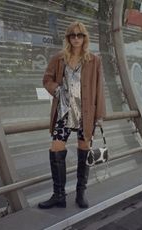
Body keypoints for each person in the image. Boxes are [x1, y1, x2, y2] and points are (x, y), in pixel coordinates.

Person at [38, 21, 106, 209]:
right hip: (64, 112)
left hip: (86, 114)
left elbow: (100, 88)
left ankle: (80, 193)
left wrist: (99, 115)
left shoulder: (94, 60)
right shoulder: (59, 58)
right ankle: (59, 195)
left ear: (85, 37)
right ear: (68, 38)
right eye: (72, 35)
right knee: (56, 149)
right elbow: (47, 79)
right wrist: (57, 89)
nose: (76, 38)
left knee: (84, 150)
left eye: (80, 35)